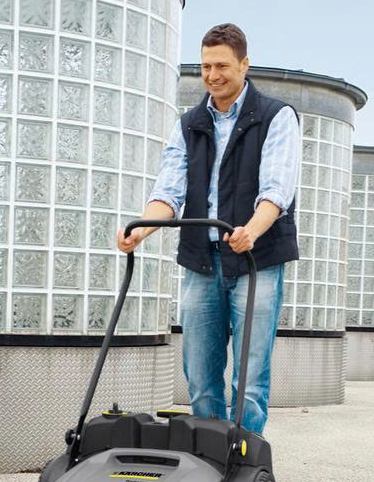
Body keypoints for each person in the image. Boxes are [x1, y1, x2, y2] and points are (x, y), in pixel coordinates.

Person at [117, 23, 300, 436]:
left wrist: (252, 230)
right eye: (206, 67)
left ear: (244, 65)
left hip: (256, 262)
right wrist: (141, 231)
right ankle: (209, 457)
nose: (213, 76)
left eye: (222, 66)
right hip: (202, 262)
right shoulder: (189, 124)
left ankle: (244, 457)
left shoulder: (275, 117)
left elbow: (277, 189)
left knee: (249, 380)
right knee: (200, 378)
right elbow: (169, 189)